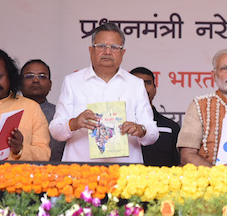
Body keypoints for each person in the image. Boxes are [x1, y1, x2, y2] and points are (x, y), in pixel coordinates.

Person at [49, 23, 159, 163]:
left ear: (123, 53)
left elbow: (153, 132)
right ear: (91, 50)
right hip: (81, 170)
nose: (107, 52)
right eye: (101, 46)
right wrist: (74, 123)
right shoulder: (73, 82)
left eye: (114, 47)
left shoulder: (135, 84)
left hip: (125, 173)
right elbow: (55, 130)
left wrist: (141, 129)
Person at [0, 48, 50, 161]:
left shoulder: (31, 108)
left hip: (19, 177)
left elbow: (44, 154)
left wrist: (20, 149)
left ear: (10, 77)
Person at [131, 67, 180, 167]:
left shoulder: (171, 127)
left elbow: (178, 165)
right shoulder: (117, 126)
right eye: (137, 83)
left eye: (147, 83)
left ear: (155, 89)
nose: (143, 88)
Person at [21, 59, 65, 162]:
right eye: (29, 76)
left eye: (42, 76)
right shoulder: (9, 112)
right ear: (20, 83)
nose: (36, 80)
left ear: (50, 85)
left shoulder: (60, 114)